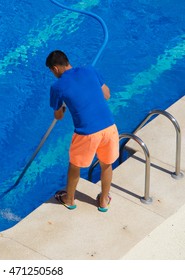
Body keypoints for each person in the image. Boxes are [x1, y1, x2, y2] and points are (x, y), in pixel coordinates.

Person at [46, 50, 119, 212]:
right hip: (109, 126)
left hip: (87, 132)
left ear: (55, 68)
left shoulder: (57, 87)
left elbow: (58, 116)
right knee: (106, 164)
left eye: (51, 71)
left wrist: (62, 109)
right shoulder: (90, 70)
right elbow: (107, 95)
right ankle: (104, 201)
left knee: (75, 166)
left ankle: (69, 199)